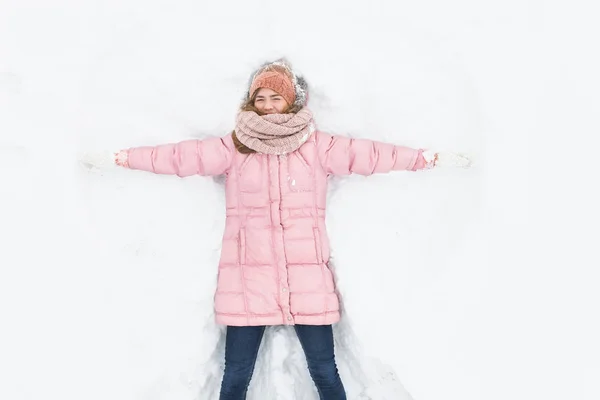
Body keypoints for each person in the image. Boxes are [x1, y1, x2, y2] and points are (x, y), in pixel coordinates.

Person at [82, 59, 471, 400]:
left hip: (307, 282)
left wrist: (426, 158)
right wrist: (120, 158)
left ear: (293, 102)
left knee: (325, 372)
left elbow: (370, 155)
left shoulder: (318, 146)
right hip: (247, 282)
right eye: (261, 98)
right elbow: (178, 157)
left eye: (276, 98)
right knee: (235, 377)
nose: (268, 106)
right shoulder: (236, 147)